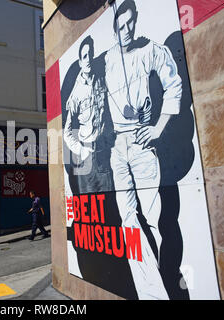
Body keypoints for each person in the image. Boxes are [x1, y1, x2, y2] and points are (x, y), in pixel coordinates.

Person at [103, 0, 183, 300]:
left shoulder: (150, 49)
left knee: (154, 219)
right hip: (117, 147)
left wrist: (158, 127)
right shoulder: (108, 59)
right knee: (128, 221)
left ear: (135, 22)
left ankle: (167, 284)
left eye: (129, 23)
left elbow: (173, 85)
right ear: (113, 28)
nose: (125, 30)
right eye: (120, 25)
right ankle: (151, 293)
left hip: (141, 142)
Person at [63, 35, 114, 194]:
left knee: (109, 202)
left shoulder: (102, 79)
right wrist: (80, 150)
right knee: (91, 203)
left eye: (90, 54)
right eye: (84, 56)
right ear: (80, 62)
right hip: (86, 156)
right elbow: (67, 131)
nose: (88, 59)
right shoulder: (76, 94)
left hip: (105, 152)